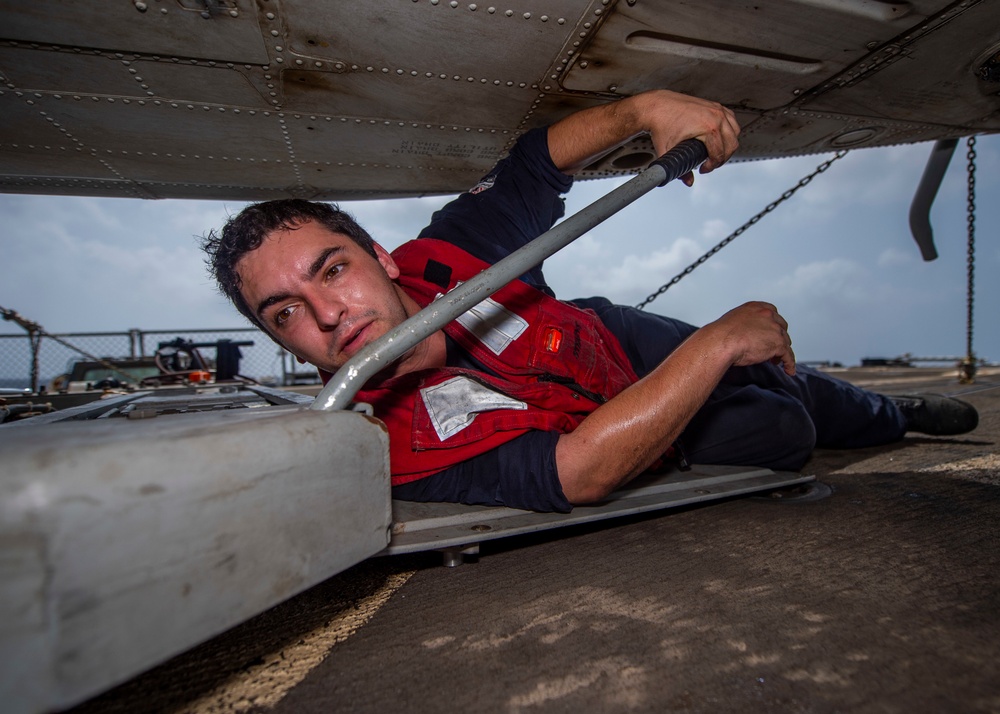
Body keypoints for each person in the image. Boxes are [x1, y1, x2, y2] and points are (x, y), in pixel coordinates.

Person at [202, 89, 978, 513]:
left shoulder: (449, 251)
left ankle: (897, 416)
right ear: (281, 340)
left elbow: (535, 165)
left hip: (606, 338)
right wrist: (713, 343)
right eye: (285, 311)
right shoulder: (388, 443)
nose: (328, 313)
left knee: (792, 376)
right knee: (782, 422)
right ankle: (804, 399)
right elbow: (575, 474)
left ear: (378, 257)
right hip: (614, 429)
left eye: (332, 269)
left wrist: (645, 111)